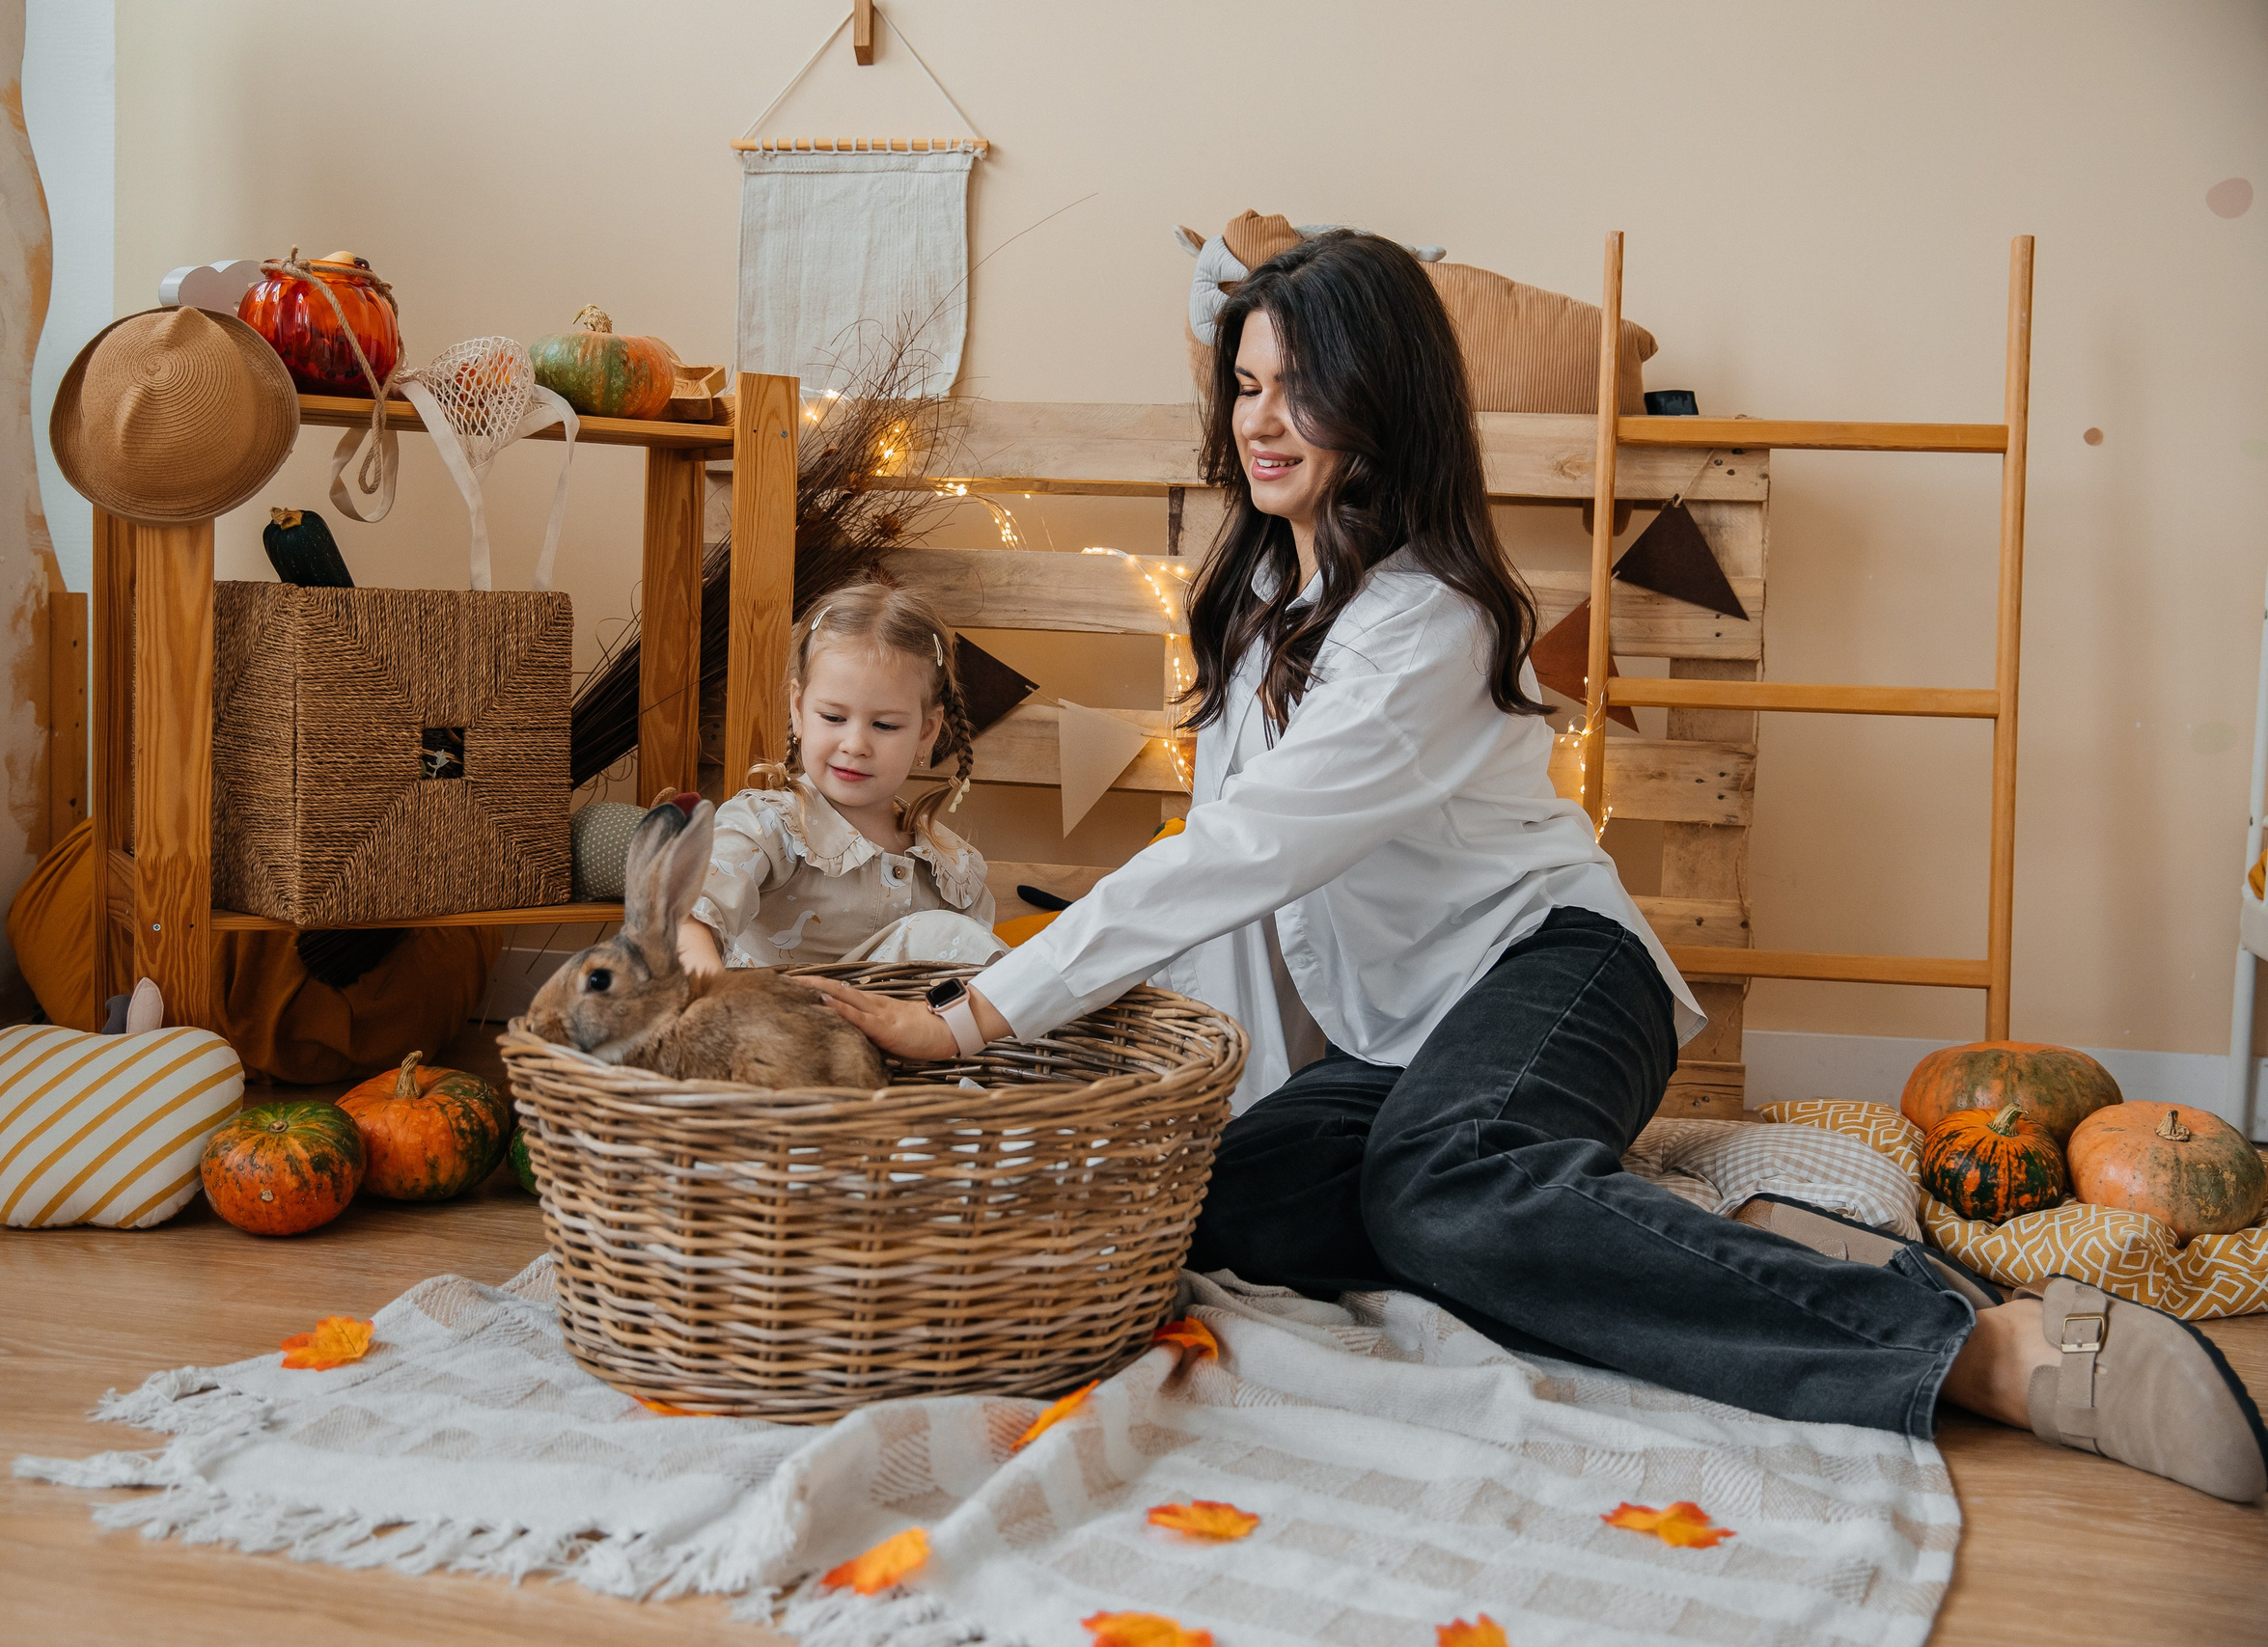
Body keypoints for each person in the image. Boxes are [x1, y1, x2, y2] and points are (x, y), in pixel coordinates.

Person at [816, 232, 2266, 1501]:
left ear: (1382, 405)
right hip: (1402, 1043)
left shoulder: (1428, 623)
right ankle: (1693, 1225)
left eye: (1299, 388)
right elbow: (1248, 917)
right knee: (1207, 1207)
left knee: (1445, 1182)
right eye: (1246, 385)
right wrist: (1210, 1102)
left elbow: (1235, 858)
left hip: (1555, 973)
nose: (1263, 422)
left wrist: (977, 1012)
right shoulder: (1262, 595)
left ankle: (1982, 1344)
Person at [680, 582, 1006, 974]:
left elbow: (986, 986)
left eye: (885, 725)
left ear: (927, 733)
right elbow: (690, 917)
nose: (855, 744)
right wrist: (707, 993)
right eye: (833, 718)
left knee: (962, 943)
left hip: (910, 1031)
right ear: (799, 710)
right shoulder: (766, 826)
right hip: (773, 1023)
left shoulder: (952, 869)